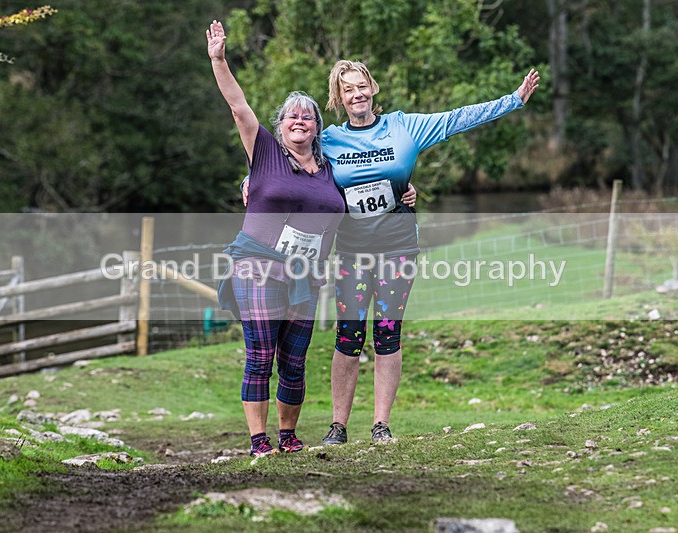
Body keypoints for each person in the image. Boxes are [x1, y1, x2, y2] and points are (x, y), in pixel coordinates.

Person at [319, 60, 540, 445]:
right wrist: (249, 179)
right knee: (348, 336)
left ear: (373, 88)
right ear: (338, 98)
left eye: (362, 86)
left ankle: (380, 425)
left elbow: (458, 118)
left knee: (388, 332)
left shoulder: (404, 127)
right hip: (353, 251)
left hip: (398, 246)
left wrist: (513, 100)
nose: (357, 94)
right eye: (347, 89)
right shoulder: (330, 140)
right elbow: (289, 156)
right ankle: (338, 427)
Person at [207, 20, 346, 456]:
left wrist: (406, 193)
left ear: (317, 128)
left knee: (295, 362)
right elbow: (238, 106)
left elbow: (369, 184)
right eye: (291, 116)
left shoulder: (329, 171)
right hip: (259, 266)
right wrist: (219, 60)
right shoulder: (264, 152)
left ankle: (287, 436)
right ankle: (258, 441)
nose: (299, 121)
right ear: (280, 125)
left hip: (305, 275)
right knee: (261, 355)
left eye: (308, 116)